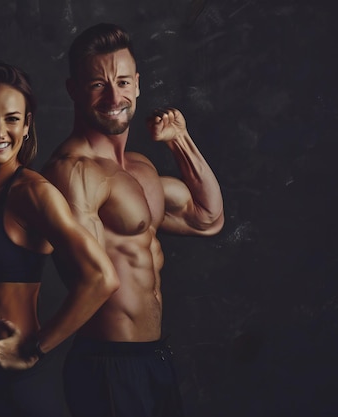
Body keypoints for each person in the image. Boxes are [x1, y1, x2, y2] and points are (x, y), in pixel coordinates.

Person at [42, 23, 225, 417]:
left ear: (138, 85)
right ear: (73, 90)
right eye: (97, 85)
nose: (114, 96)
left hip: (155, 357)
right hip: (107, 363)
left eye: (123, 81)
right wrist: (36, 348)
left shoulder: (140, 170)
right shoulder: (74, 171)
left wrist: (180, 140)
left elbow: (208, 219)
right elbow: (92, 280)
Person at [0, 61, 119, 417]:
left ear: (27, 125)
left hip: (22, 385)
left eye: (12, 119)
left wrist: (34, 350)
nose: (0, 131)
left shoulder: (32, 193)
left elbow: (101, 278)